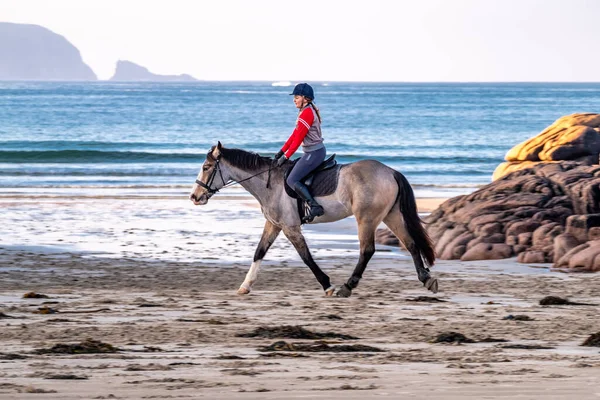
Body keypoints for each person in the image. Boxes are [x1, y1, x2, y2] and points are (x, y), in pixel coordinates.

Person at [273, 82, 325, 219]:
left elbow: (297, 140)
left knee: (292, 179)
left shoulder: (307, 113)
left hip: (314, 153)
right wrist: (281, 151)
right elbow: (294, 135)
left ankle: (314, 206)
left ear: (305, 98)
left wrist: (286, 157)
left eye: (297, 97)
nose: (294, 100)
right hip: (312, 152)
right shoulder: (305, 111)